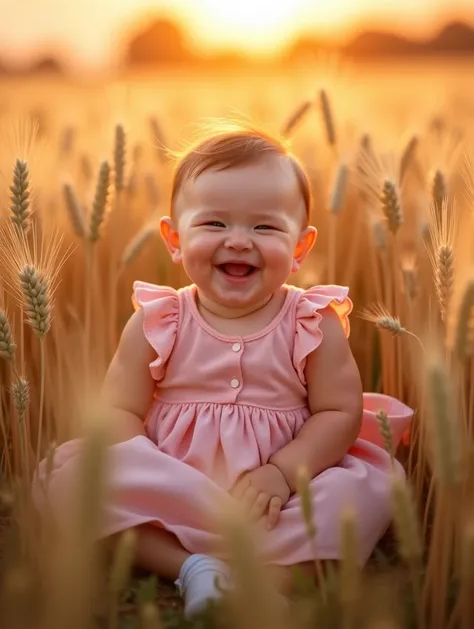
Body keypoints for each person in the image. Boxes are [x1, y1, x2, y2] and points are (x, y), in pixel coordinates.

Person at [33, 123, 413, 618]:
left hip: (276, 494)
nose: (238, 241)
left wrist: (282, 473)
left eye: (265, 227)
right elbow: (119, 411)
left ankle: (256, 578)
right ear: (173, 238)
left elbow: (339, 411)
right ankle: (192, 567)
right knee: (72, 484)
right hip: (173, 485)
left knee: (365, 493)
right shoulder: (158, 319)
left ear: (300, 247)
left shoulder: (311, 320)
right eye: (214, 224)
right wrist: (154, 471)